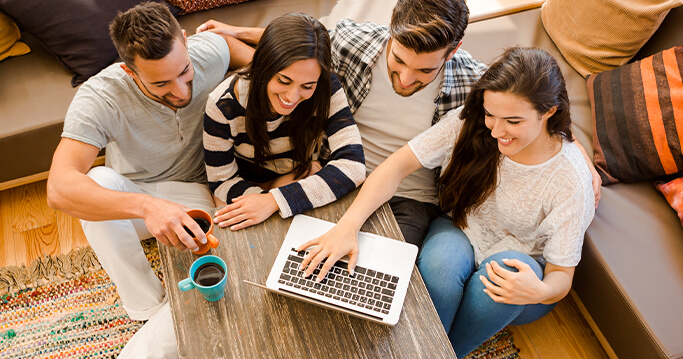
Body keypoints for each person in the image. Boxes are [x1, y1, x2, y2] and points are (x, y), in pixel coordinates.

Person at [196, 0, 602, 250]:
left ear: (454, 48)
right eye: (399, 61)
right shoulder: (355, 42)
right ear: (391, 32)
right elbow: (302, 42)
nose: (407, 79)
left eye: (424, 70)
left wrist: (571, 146)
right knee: (290, 254)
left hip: (411, 199)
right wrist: (235, 31)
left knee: (370, 275)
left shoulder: (473, 84)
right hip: (336, 173)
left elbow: (531, 104)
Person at [297, 47, 596, 358]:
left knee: (500, 276)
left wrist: (542, 290)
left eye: (513, 121)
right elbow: (396, 166)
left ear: (549, 112)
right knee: (440, 272)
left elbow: (561, 277)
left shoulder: (570, 180)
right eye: (490, 114)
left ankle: (429, 352)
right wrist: (348, 226)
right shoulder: (471, 123)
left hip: (521, 278)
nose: (496, 130)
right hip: (461, 229)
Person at [46, 2, 253, 357]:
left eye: (184, 72)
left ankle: (156, 333)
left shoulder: (208, 51)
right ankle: (148, 307)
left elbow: (267, 60)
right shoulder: (100, 95)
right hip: (134, 194)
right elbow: (58, 188)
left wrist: (237, 36)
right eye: (161, 83)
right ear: (130, 71)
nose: (181, 90)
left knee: (223, 268)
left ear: (186, 42)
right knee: (97, 180)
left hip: (196, 190)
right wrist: (147, 206)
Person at [203, 13, 365, 230]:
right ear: (263, 67)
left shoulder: (327, 87)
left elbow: (353, 165)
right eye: (283, 81)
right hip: (247, 187)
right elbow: (222, 181)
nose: (291, 97)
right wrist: (266, 197)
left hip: (296, 180)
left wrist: (275, 200)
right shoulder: (223, 104)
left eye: (307, 86)